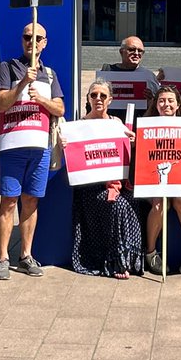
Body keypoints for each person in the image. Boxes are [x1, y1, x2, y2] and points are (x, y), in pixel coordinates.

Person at [0, 22, 66, 279]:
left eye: (38, 38)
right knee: (9, 201)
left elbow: (60, 108)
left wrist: (42, 99)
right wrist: (24, 81)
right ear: (21, 39)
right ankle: (2, 257)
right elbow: (2, 103)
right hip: (12, 146)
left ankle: (25, 255)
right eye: (27, 37)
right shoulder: (7, 67)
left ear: (44, 43)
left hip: (40, 148)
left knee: (31, 201)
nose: (32, 42)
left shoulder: (50, 73)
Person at [70, 79, 143, 279]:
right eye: (94, 95)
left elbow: (124, 154)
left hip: (114, 183)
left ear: (110, 100)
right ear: (88, 98)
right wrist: (65, 144)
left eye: (103, 95)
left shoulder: (116, 123)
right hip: (90, 188)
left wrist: (133, 143)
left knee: (132, 200)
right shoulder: (78, 126)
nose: (98, 99)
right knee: (118, 205)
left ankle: (129, 259)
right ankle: (116, 263)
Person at [141, 85, 181, 276]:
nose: (165, 104)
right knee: (160, 204)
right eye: (161, 101)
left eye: (170, 101)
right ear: (155, 104)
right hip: (154, 182)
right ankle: (150, 253)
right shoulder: (147, 125)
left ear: (177, 105)